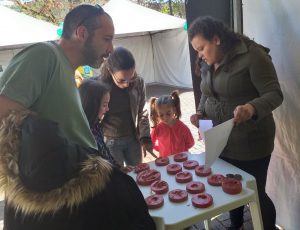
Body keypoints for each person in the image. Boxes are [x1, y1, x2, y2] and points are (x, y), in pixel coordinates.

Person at [0, 4, 155, 230]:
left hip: (76, 193)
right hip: (56, 199)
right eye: (107, 39)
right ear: (82, 33)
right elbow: (5, 119)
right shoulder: (43, 55)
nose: (111, 49)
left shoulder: (65, 68)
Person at [188, 16, 283, 230]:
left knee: (254, 192)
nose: (199, 54)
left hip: (252, 142)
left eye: (201, 48)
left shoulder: (252, 55)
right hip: (221, 138)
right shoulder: (207, 62)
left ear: (216, 39)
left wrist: (251, 108)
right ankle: (236, 225)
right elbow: (206, 92)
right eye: (197, 50)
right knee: (229, 184)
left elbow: (275, 94)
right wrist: (200, 112)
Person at [99, 46, 155, 166]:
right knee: (119, 178)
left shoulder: (139, 82)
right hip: (110, 142)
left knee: (138, 173)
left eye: (131, 78)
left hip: (133, 139)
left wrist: (145, 137)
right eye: (121, 80)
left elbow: (142, 112)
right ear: (110, 71)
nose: (127, 84)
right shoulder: (100, 87)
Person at [149, 91, 195, 157]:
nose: (165, 118)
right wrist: (160, 149)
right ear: (157, 114)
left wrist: (183, 150)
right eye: (161, 115)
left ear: (174, 110)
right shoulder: (157, 128)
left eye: (168, 113)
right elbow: (151, 142)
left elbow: (191, 143)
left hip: (181, 160)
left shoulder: (182, 127)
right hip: (165, 161)